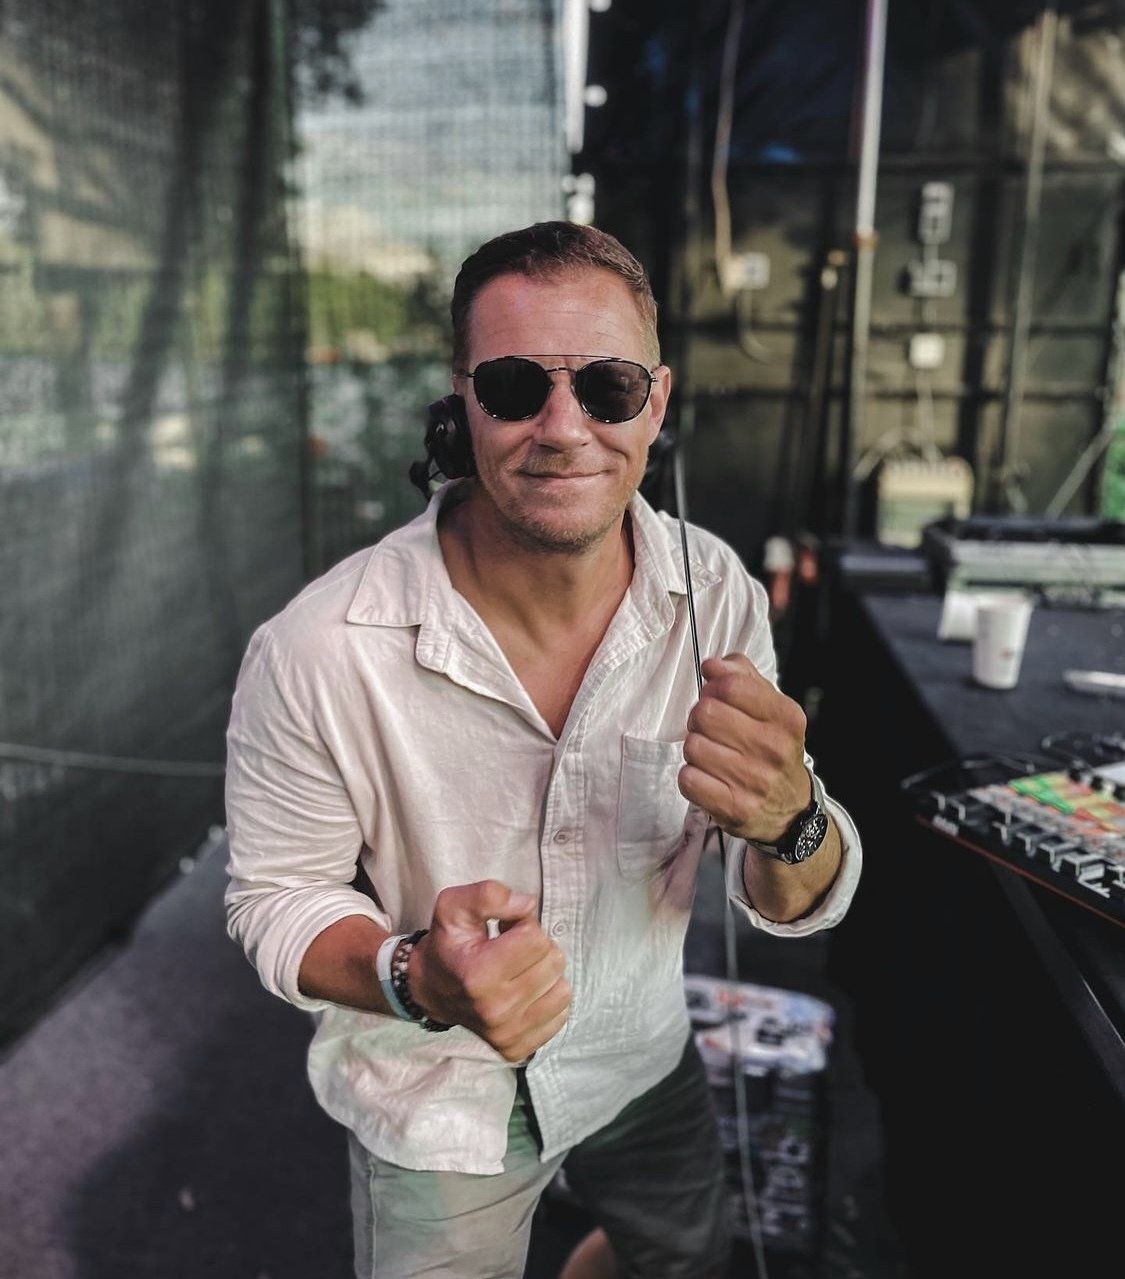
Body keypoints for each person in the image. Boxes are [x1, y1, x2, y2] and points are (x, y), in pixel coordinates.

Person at [224, 221, 862, 1279]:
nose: (563, 429)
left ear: (657, 404)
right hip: (441, 1097)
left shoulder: (715, 594)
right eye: (516, 385)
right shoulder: (317, 648)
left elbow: (787, 893)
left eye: (608, 387)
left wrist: (792, 820)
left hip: (640, 1053)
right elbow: (274, 898)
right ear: (462, 401)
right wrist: (417, 974)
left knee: (685, 1257)